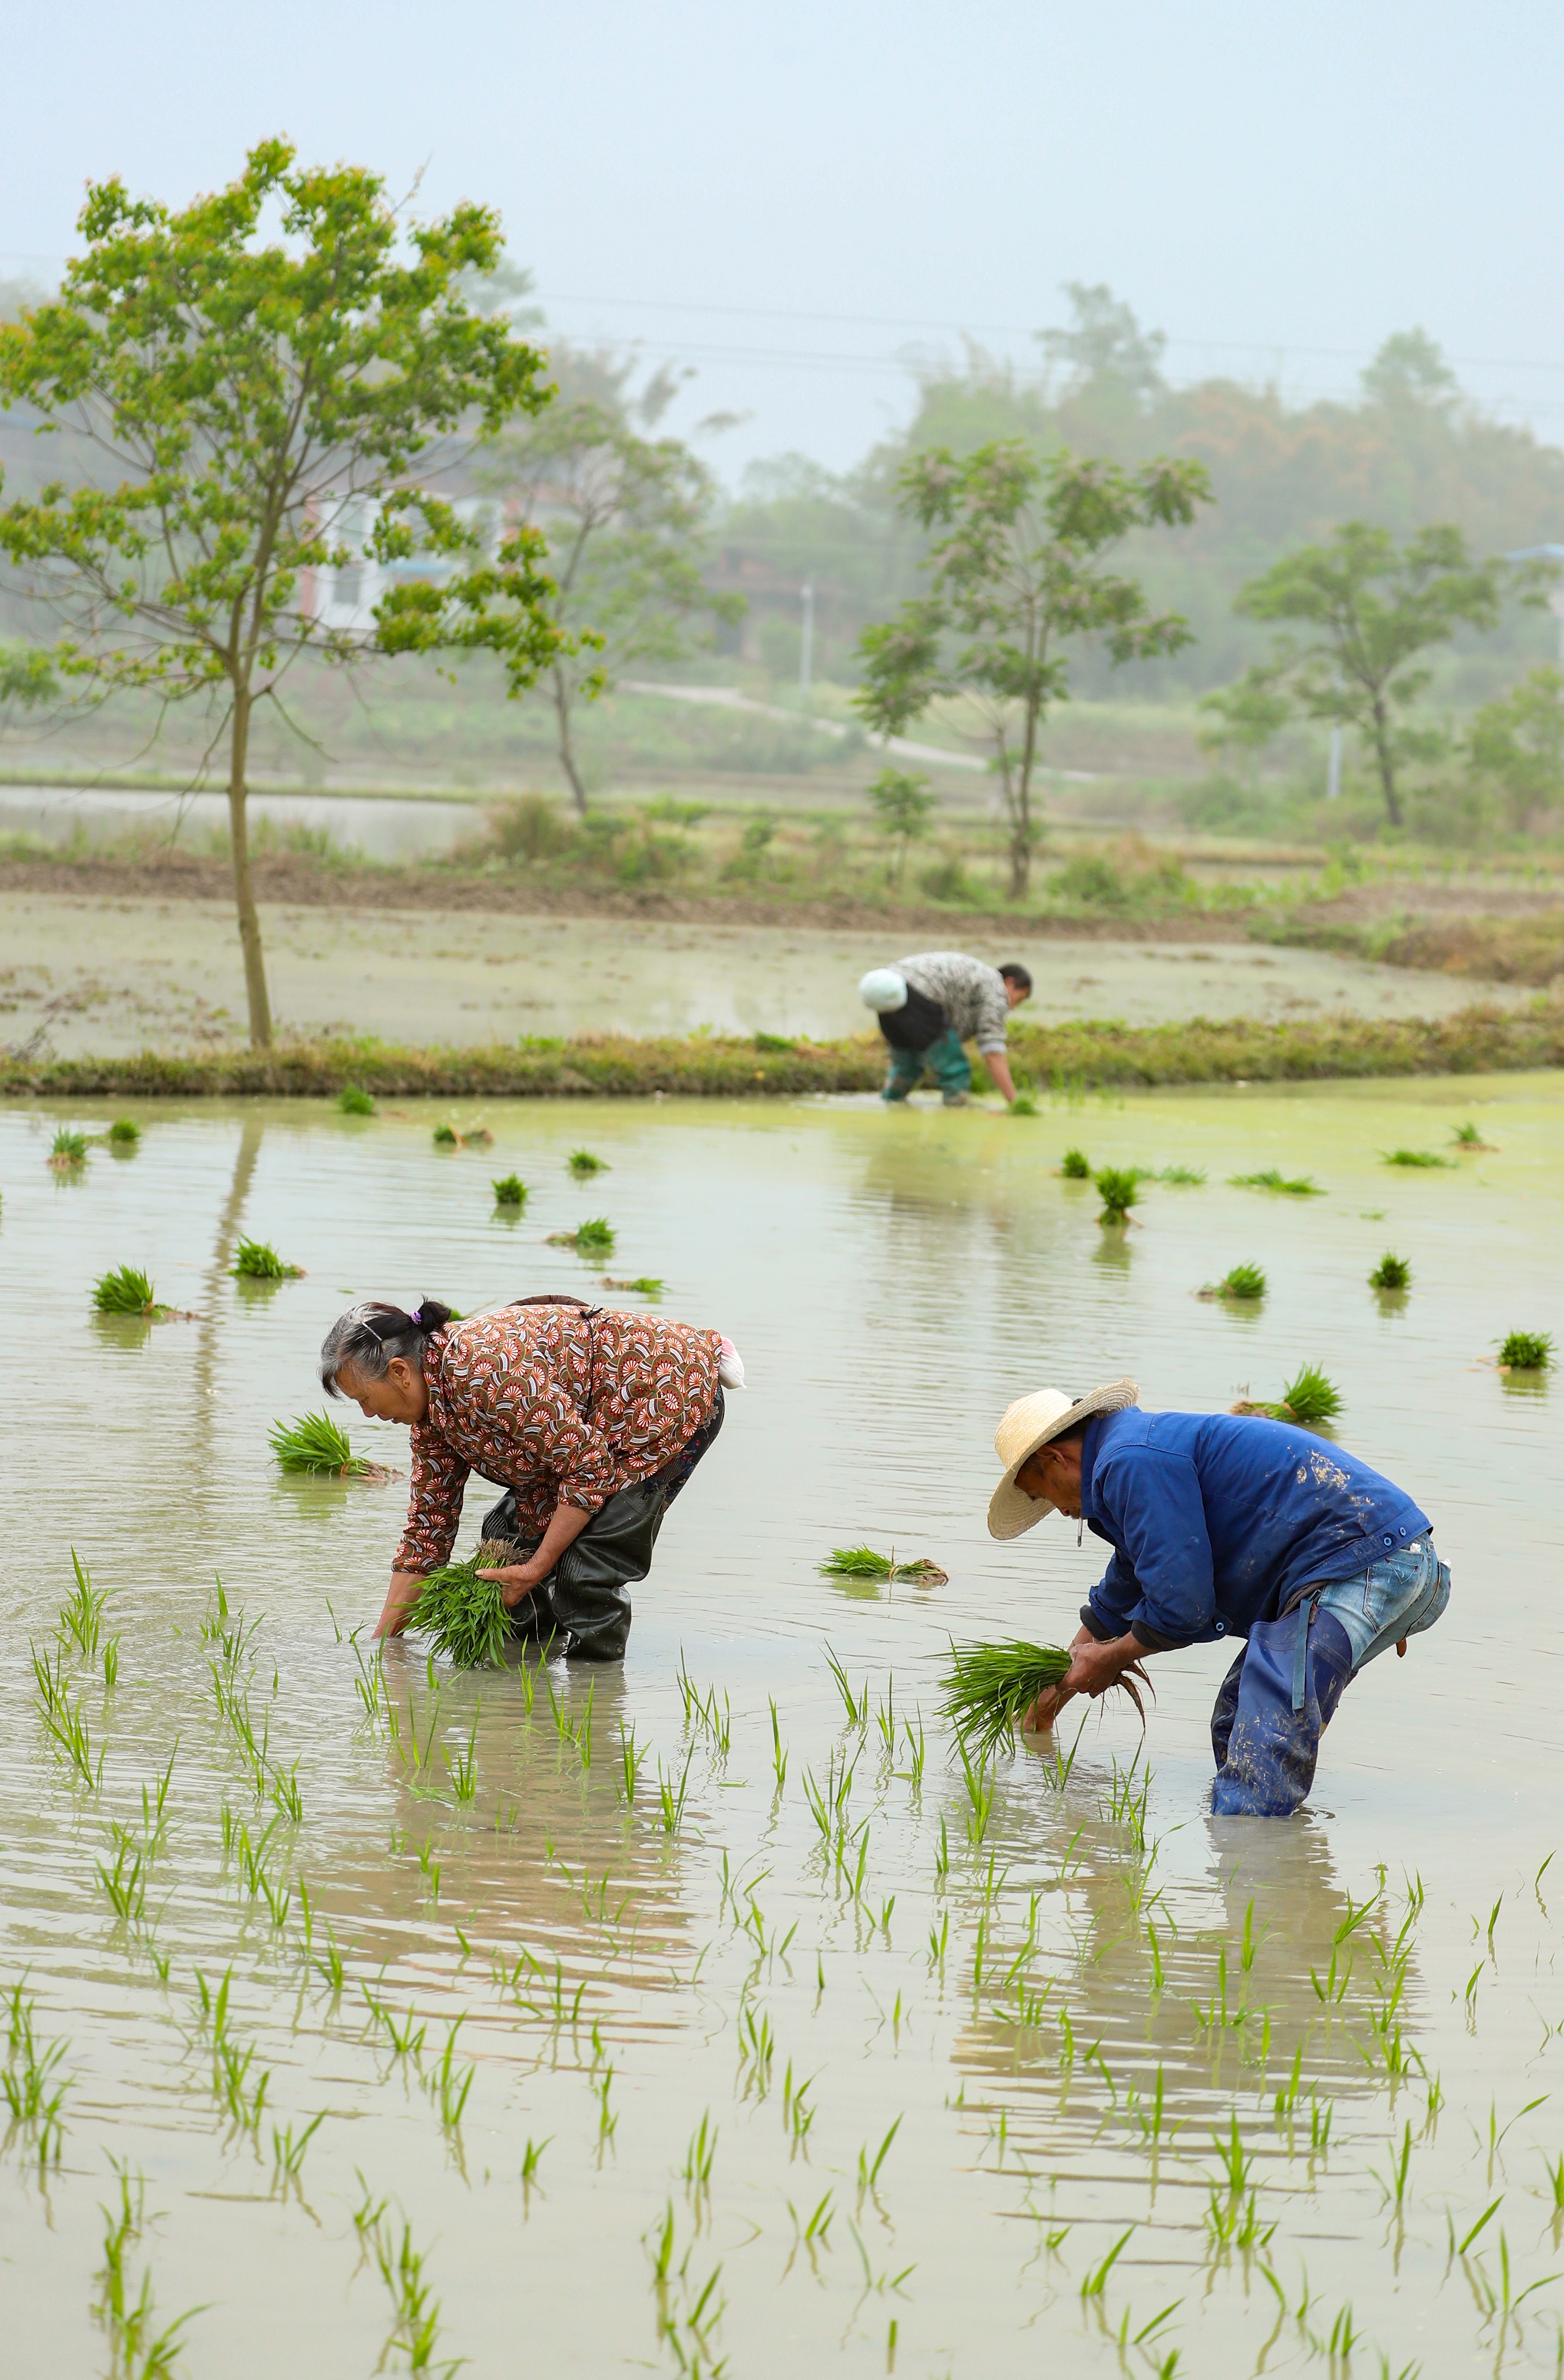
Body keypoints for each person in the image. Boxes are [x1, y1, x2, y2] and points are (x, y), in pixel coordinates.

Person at [986, 1379, 1450, 1816]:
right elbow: (1121, 1594)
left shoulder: (1129, 1462)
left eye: (1036, 1495)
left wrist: (1113, 1658)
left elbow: (1182, 1607)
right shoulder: (1128, 1456)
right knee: (1236, 1722)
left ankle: (1260, 1876)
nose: (1056, 1510)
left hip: (1367, 1564)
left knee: (1262, 1748)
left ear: (1053, 1459)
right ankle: (1268, 1870)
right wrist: (1053, 1694)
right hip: (1376, 1564)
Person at [319, 1292, 739, 1661]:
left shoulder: (482, 1371)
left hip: (662, 1401)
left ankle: (593, 1696)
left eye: (366, 1400)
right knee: (504, 1537)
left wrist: (538, 1567)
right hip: (587, 1429)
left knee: (585, 1570)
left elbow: (588, 1468)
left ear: (399, 1372)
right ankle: (528, 1686)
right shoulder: (430, 1415)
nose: (369, 1414)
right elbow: (429, 1530)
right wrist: (385, 1647)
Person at [858, 951, 1032, 1107]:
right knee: (956, 1071)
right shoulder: (995, 988)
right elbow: (992, 1049)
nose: (1014, 1007)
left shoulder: (977, 976)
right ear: (1009, 983)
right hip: (915, 994)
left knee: (907, 1064)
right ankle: (954, 1120)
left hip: (886, 992)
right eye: (1020, 998)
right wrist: (1014, 1102)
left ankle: (890, 1103)